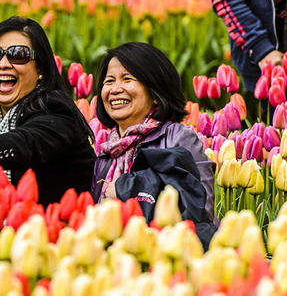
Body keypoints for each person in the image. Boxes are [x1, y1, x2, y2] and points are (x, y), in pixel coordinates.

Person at [0, 17, 96, 204]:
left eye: (18, 55)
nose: (2, 64)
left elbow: (28, 141)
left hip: (55, 228)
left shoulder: (55, 108)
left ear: (40, 67)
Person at [90, 43, 216, 223]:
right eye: (109, 81)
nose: (115, 89)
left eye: (127, 79)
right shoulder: (106, 155)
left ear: (156, 93)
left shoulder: (179, 139)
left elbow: (201, 209)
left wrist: (127, 188)